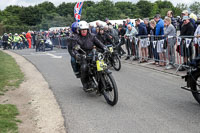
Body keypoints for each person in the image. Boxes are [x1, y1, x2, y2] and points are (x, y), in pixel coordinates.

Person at [72, 21, 107, 91]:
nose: (84, 31)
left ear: (87, 29)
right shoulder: (76, 38)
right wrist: (77, 54)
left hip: (92, 53)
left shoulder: (92, 36)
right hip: (83, 55)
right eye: (82, 30)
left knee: (101, 63)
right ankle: (85, 84)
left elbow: (98, 43)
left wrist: (104, 48)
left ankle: (104, 78)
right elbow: (74, 48)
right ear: (79, 30)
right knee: (84, 67)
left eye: (85, 29)